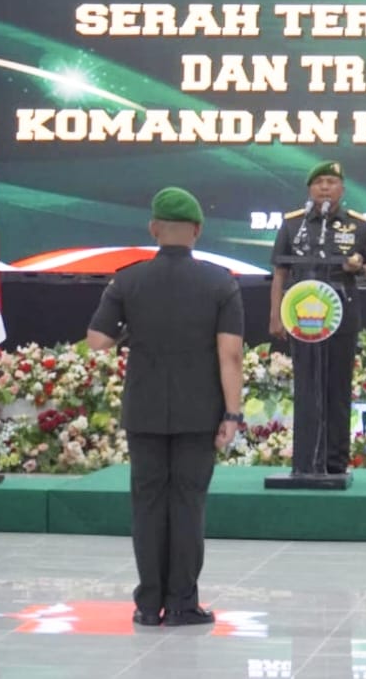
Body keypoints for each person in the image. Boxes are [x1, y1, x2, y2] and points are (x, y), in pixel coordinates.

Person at [86, 187, 244, 627]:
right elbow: (230, 355)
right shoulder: (221, 282)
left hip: (145, 409)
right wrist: (232, 414)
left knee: (148, 504)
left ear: (154, 229)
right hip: (199, 411)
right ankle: (181, 604)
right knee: (188, 505)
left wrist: (130, 333)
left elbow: (97, 341)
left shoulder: (127, 280)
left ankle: (147, 605)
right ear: (197, 230)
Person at [269, 161, 366, 474]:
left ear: (342, 189)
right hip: (303, 317)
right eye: (319, 182)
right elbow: (280, 271)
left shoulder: (358, 225)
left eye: (331, 182)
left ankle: (334, 463)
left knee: (337, 388)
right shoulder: (293, 224)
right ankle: (305, 461)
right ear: (310, 189)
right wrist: (275, 315)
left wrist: (358, 267)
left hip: (341, 315)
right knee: (307, 387)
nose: (325, 187)